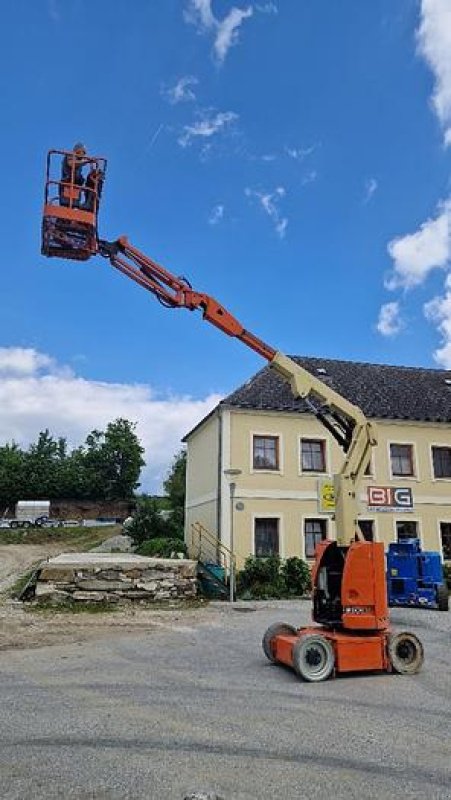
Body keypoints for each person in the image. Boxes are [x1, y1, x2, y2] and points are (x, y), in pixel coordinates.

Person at [59, 142, 86, 207]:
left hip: (75, 186)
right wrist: (84, 162)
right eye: (84, 152)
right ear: (78, 150)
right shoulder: (71, 154)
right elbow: (71, 163)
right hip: (67, 184)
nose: (84, 155)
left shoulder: (79, 161)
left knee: (81, 179)